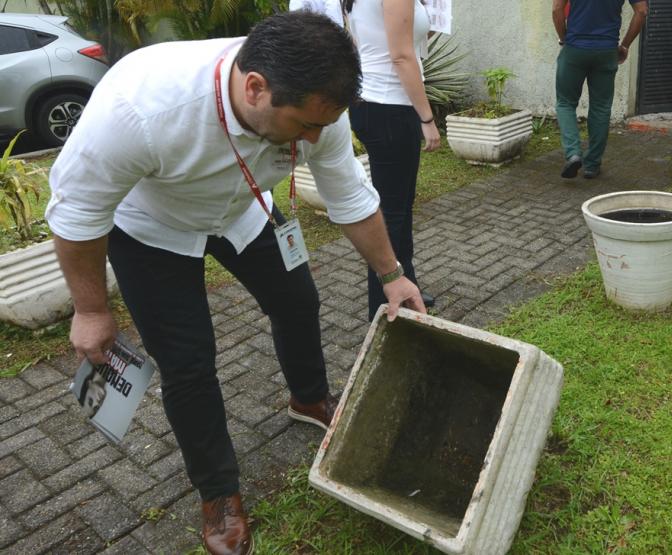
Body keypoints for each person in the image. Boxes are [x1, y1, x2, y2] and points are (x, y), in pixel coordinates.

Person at [45, 12, 425, 555]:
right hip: (154, 225)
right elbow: (77, 213)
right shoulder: (140, 106)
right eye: (304, 126)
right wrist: (90, 310)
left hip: (242, 208)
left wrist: (392, 276)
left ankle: (309, 398)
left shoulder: (319, 106)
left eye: (324, 125)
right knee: (189, 361)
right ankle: (218, 494)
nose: (316, 138)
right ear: (255, 88)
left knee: (298, 301)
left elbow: (351, 199)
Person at [345, 0, 441, 320]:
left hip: (370, 101)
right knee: (393, 215)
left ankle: (406, 284)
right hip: (390, 106)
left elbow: (360, 41)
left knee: (399, 208)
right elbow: (401, 56)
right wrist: (426, 118)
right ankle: (385, 311)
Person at [552, 0, 647, 179]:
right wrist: (625, 45)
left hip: (575, 48)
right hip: (607, 50)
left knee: (565, 103)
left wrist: (564, 40)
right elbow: (641, 12)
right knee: (601, 107)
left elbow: (557, 9)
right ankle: (592, 165)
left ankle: (573, 153)